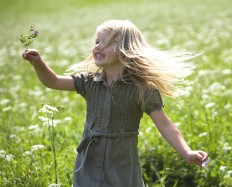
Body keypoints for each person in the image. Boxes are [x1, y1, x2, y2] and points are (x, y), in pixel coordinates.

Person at [22, 20, 209, 187]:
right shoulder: (89, 81)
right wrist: (38, 63)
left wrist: (186, 152)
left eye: (105, 42)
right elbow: (53, 81)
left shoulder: (142, 88)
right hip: (89, 159)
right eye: (97, 42)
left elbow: (165, 124)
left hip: (122, 162)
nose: (97, 46)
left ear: (126, 49)